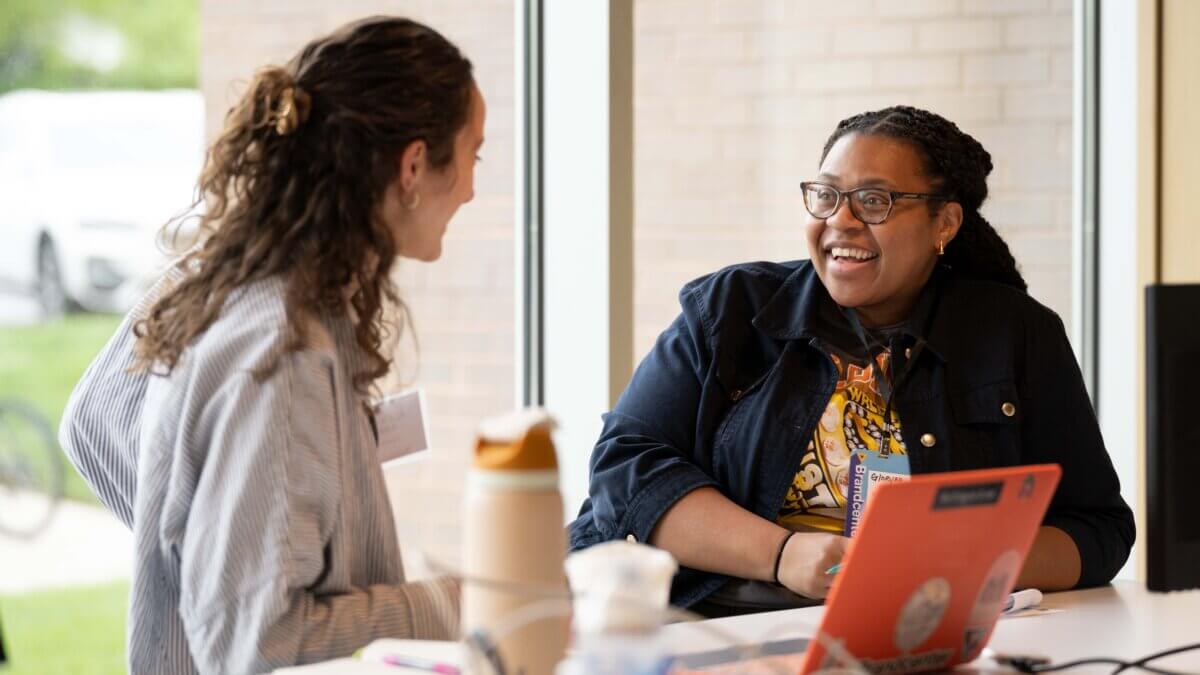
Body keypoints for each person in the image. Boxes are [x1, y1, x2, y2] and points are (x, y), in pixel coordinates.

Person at [568, 106, 1134, 617]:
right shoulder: (731, 308)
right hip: (711, 620)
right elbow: (625, 469)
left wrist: (953, 561)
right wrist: (783, 554)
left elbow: (1097, 529)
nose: (842, 220)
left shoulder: (1016, 333)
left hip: (911, 631)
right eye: (827, 195)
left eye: (875, 201)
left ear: (946, 224)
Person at [58, 16, 485, 673]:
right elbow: (263, 644)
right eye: (472, 156)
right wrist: (460, 605)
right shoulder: (284, 354)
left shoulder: (236, 275)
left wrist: (199, 546)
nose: (475, 189)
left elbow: (94, 420)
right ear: (413, 165)